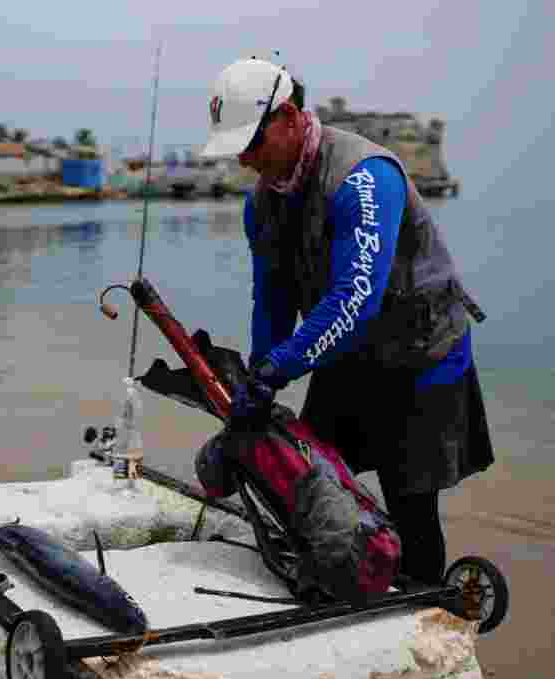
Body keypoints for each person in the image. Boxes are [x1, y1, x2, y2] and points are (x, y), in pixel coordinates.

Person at [200, 58, 495, 585]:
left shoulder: (363, 178)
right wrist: (259, 372)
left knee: (410, 500)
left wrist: (278, 371)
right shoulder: (263, 203)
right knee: (304, 472)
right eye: (236, 149)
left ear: (289, 117)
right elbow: (271, 300)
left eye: (251, 143)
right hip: (347, 354)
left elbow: (354, 301)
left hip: (420, 354)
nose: (245, 160)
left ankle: (424, 599)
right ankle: (340, 572)